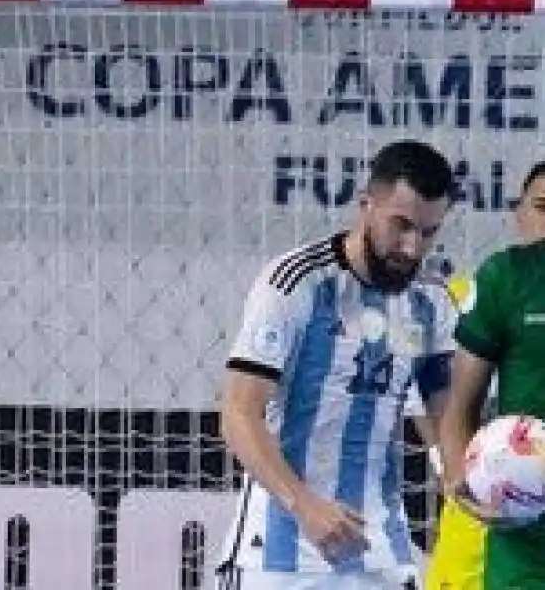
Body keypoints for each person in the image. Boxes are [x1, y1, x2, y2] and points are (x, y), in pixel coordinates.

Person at [216, 140, 457, 590]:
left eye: (428, 232)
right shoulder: (297, 282)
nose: (411, 247)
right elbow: (238, 415)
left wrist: (476, 476)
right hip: (278, 557)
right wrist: (304, 506)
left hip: (381, 555)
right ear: (366, 206)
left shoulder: (431, 301)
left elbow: (445, 417)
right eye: (401, 225)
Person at [437, 162, 545, 590]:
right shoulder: (505, 278)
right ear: (519, 213)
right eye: (542, 207)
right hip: (525, 543)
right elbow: (459, 408)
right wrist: (461, 482)